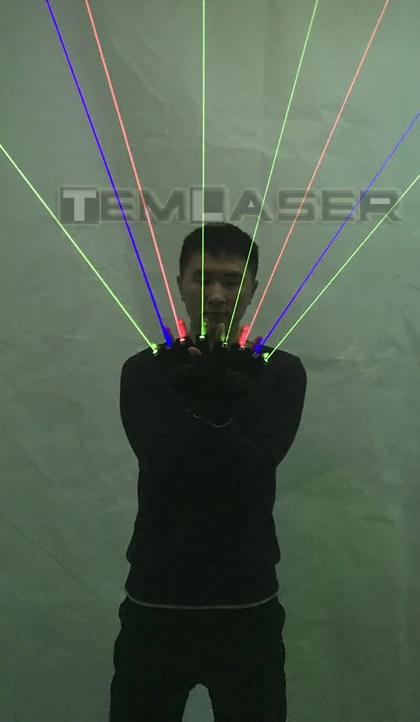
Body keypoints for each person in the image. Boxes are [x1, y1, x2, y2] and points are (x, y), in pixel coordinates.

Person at [109, 222, 308, 721]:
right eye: (203, 278)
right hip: (157, 600)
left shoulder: (282, 372)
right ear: (180, 284)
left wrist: (206, 411)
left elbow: (253, 475)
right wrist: (215, 411)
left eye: (233, 281)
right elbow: (165, 471)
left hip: (247, 603)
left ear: (253, 289)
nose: (217, 295)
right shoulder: (144, 371)